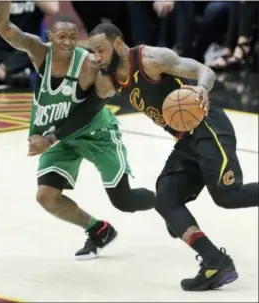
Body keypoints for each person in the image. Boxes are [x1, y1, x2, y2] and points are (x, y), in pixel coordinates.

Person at [88, 23, 259, 291]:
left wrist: (201, 88)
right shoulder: (110, 76)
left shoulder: (151, 59)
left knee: (227, 195)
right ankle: (216, 262)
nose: (97, 56)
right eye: (93, 51)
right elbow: (92, 95)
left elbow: (205, 70)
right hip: (185, 140)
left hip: (207, 124)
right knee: (166, 200)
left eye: (101, 49)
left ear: (118, 44)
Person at [0, 2, 155, 261]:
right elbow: (2, 26)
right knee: (46, 197)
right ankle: (98, 230)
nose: (67, 43)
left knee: (124, 202)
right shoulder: (40, 53)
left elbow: (88, 111)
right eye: (62, 37)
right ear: (50, 37)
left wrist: (50, 138)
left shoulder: (89, 65)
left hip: (95, 132)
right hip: (60, 138)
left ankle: (166, 199)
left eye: (72, 37)